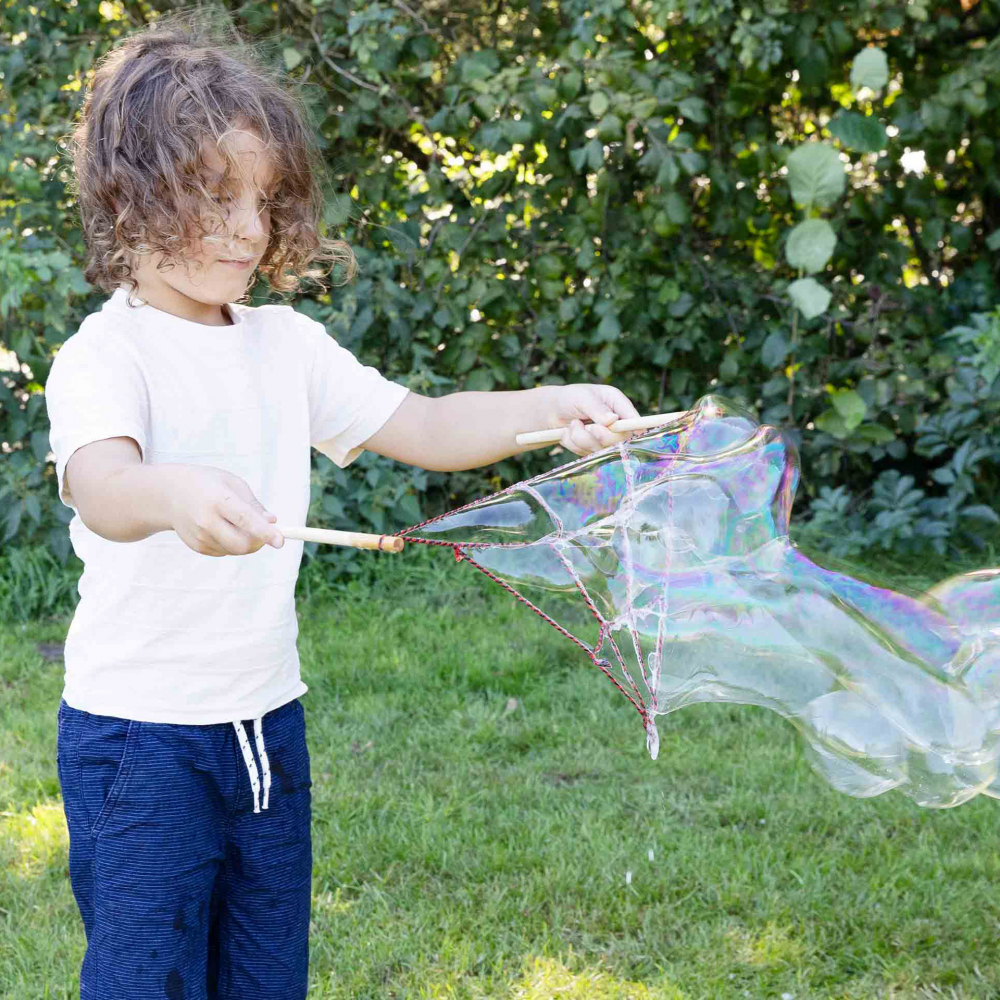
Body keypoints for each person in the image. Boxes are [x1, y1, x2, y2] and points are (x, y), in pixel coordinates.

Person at [44, 11, 640, 999]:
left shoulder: (286, 345)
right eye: (214, 195)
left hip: (267, 725)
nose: (250, 227)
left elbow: (431, 425)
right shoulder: (106, 356)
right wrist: (175, 493)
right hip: (137, 741)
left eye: (265, 199)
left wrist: (551, 411)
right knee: (143, 980)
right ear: (131, 195)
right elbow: (105, 488)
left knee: (267, 973)